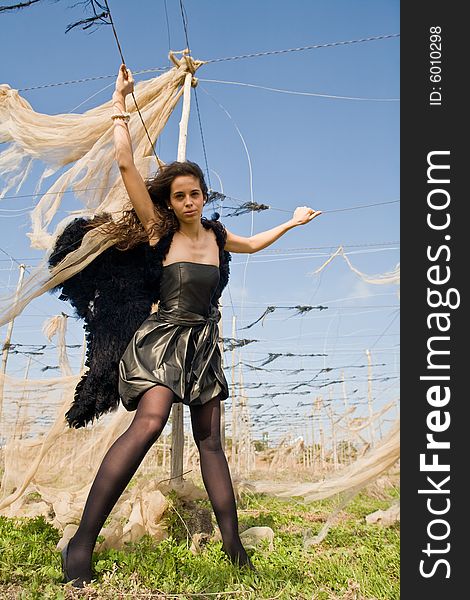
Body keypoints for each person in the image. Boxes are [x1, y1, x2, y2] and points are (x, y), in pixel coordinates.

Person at [60, 64, 321, 588]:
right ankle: (82, 544)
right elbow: (125, 163)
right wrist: (120, 103)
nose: (186, 201)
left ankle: (234, 547)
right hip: (161, 340)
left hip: (203, 344)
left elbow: (253, 244)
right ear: (170, 201)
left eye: (193, 194)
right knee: (151, 421)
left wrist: (291, 222)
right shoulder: (160, 231)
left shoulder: (219, 237)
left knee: (211, 443)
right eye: (178, 195)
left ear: (203, 196)